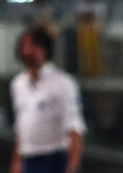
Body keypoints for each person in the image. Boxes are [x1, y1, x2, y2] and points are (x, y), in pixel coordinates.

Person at [10, 26, 85, 173]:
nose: (27, 50)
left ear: (44, 49)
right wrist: (16, 162)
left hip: (54, 156)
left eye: (32, 45)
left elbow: (75, 128)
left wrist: (72, 165)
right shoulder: (18, 84)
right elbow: (21, 127)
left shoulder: (62, 83)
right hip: (29, 157)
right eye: (23, 45)